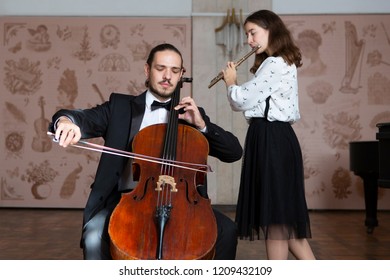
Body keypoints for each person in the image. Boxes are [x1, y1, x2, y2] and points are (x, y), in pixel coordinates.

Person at [49, 43, 243, 260]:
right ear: (147, 70)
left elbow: (234, 152)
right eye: (161, 68)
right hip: (126, 202)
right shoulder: (120, 107)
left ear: (181, 75)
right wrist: (67, 122)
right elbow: (82, 117)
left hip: (183, 206)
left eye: (174, 70)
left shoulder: (191, 115)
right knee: (94, 236)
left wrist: (202, 126)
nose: (167, 76)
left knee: (227, 231)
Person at [221, 10, 316, 260]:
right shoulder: (279, 61)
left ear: (270, 29)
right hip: (273, 138)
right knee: (285, 226)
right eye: (247, 35)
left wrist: (231, 82)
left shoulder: (274, 63)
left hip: (272, 140)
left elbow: (243, 100)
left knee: (276, 221)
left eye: (253, 33)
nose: (249, 40)